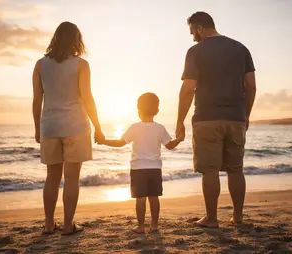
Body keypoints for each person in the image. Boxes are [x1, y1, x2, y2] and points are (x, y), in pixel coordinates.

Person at [176, 12, 256, 228]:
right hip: (236, 118)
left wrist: (179, 121)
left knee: (210, 170)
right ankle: (238, 217)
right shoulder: (241, 49)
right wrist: (245, 115)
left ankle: (211, 219)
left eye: (193, 32)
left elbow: (188, 89)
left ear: (200, 28)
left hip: (207, 118)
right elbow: (251, 86)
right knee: (235, 169)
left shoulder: (196, 51)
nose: (192, 36)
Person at [32, 22, 105, 235]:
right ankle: (67, 225)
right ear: (76, 40)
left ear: (55, 38)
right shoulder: (81, 65)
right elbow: (87, 97)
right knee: (71, 178)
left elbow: (37, 100)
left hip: (50, 127)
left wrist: (38, 128)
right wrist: (98, 127)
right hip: (76, 126)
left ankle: (48, 224)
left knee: (52, 177)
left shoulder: (40, 65)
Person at [98, 93, 184, 233]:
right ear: (157, 111)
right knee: (154, 198)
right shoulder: (160, 128)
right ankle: (155, 225)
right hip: (155, 169)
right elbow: (169, 145)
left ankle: (141, 226)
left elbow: (120, 143)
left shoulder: (134, 127)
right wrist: (179, 139)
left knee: (140, 199)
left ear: (138, 110)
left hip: (138, 169)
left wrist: (104, 141)